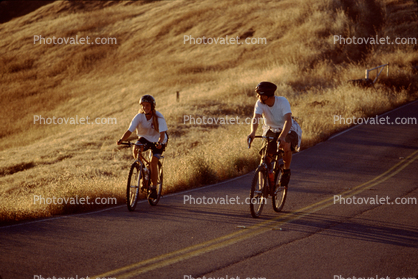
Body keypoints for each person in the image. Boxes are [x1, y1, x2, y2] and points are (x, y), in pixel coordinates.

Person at [247, 81, 299, 189]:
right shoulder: (260, 103)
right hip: (271, 128)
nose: (257, 96)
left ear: (266, 96)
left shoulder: (282, 101)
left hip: (288, 128)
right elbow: (256, 118)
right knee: (265, 156)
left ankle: (286, 170)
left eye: (259, 94)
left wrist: (283, 136)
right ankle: (262, 187)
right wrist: (252, 132)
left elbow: (288, 121)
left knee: (285, 146)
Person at [117, 95, 168, 198]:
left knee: (153, 162)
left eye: (147, 105)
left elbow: (162, 134)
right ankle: (142, 168)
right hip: (145, 138)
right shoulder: (139, 117)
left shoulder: (158, 117)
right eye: (143, 105)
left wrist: (159, 143)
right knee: (136, 147)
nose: (145, 107)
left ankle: (153, 188)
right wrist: (121, 140)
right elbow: (129, 131)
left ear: (152, 106)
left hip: (158, 140)